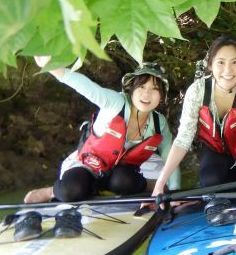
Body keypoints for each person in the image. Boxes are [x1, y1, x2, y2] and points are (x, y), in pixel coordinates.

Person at [23, 56, 181, 205]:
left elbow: (170, 157)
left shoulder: (159, 123)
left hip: (120, 174)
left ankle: (146, 184)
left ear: (161, 96)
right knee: (72, 190)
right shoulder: (115, 102)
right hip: (88, 164)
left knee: (125, 182)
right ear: (131, 89)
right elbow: (85, 86)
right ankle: (51, 191)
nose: (147, 94)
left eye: (154, 89)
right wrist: (53, 67)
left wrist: (175, 191)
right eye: (141, 86)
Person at [150, 35, 236, 201]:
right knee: (210, 182)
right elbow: (183, 139)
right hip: (218, 148)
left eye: (235, 62)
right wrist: (160, 185)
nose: (228, 70)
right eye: (221, 62)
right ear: (210, 65)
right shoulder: (197, 91)